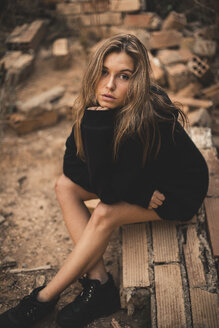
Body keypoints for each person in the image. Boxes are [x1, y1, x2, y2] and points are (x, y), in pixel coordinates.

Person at [0, 34, 209, 328]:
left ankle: (42, 299)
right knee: (64, 186)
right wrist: (131, 183)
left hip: (177, 190)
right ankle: (99, 283)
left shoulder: (150, 115)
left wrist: (132, 187)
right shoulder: (96, 108)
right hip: (141, 184)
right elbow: (72, 166)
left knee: (104, 212)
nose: (109, 85)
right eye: (104, 72)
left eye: (123, 76)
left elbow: (110, 195)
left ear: (136, 82)